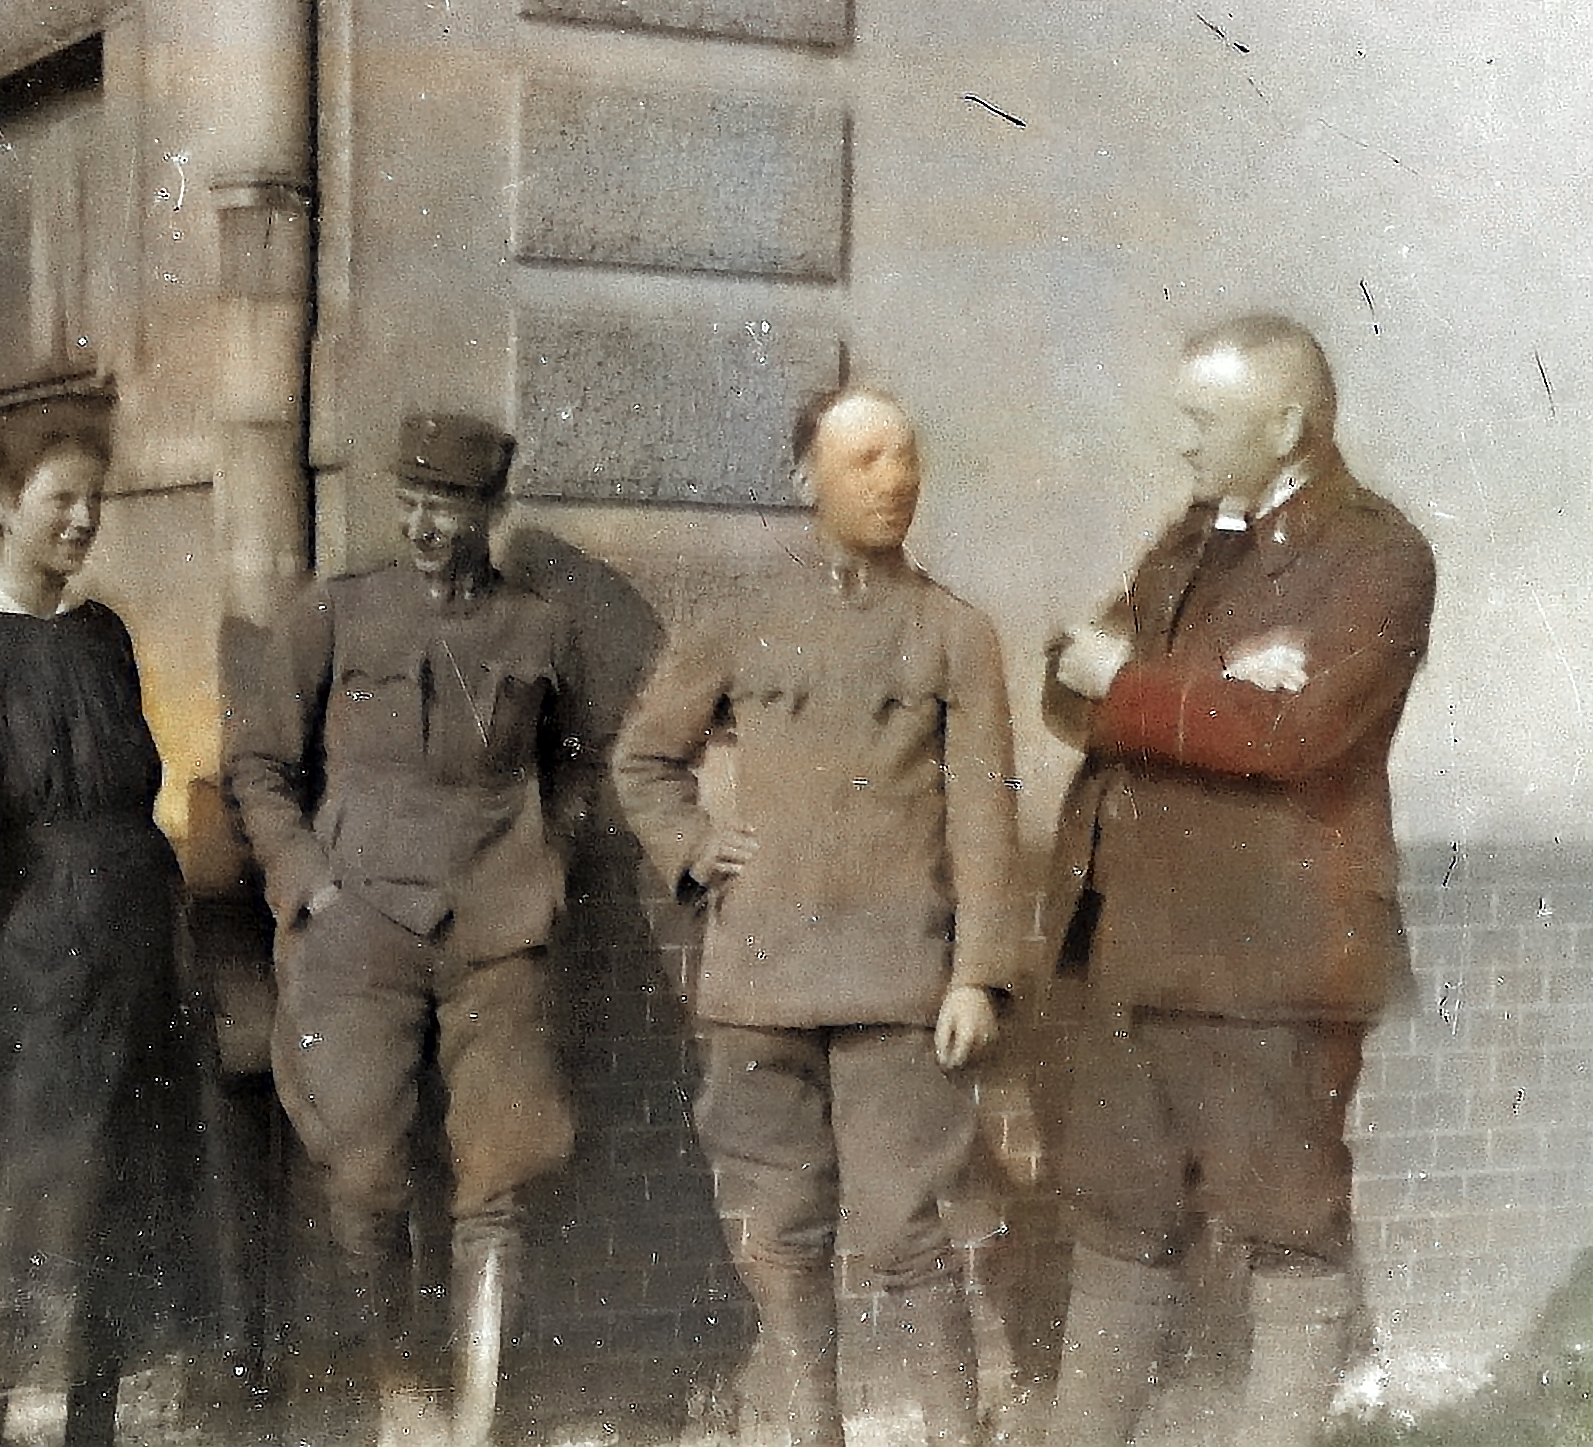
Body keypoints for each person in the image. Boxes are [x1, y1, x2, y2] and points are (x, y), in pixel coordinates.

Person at [1038, 314, 1436, 1447]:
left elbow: (1297, 738)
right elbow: (1067, 686)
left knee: (1286, 1231)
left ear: (1287, 423)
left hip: (1272, 963)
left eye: (1202, 419)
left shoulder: (1377, 557)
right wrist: (1210, 682)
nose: (1182, 441)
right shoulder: (1191, 538)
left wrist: (1139, 684)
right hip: (1134, 947)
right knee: (1119, 1223)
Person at [611, 385, 1019, 1447]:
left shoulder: (955, 634)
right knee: (779, 1231)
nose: (896, 480)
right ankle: (813, 1429)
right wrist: (695, 847)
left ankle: (951, 1432)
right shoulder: (739, 619)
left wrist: (977, 973)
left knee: (906, 1230)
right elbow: (644, 760)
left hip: (898, 987)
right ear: (806, 477)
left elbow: (984, 817)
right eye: (866, 460)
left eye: (906, 457)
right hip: (759, 985)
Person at [225, 412, 590, 1447]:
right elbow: (257, 765)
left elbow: (577, 767)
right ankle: (399, 1389)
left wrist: (547, 867)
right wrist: (308, 885)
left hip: (496, 929)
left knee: (499, 1177)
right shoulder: (335, 614)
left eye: (450, 505)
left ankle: (477, 1418)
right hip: (361, 926)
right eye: (412, 500)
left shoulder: (539, 630)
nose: (425, 525)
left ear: (492, 509)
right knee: (364, 1173)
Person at [0, 404, 202, 1447]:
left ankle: (92, 1426)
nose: (84, 519)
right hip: (30, 937)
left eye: (94, 500)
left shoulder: (102, 634)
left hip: (137, 937)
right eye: (60, 498)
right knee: (23, 1178)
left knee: (117, 1178)